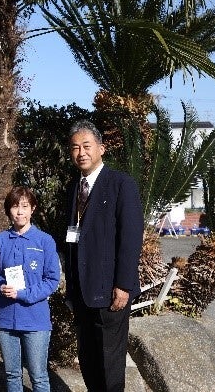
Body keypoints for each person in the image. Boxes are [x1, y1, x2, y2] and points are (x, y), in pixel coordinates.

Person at [64, 120, 143, 391]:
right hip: (81, 292)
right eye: (75, 147)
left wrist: (124, 285)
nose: (81, 153)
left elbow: (131, 238)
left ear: (101, 148)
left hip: (111, 291)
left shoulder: (121, 184)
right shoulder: (74, 187)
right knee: (89, 359)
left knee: (110, 363)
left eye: (86, 146)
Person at [0, 186, 60, 392]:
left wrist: (22, 294)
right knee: (12, 375)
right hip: (6, 319)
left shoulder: (44, 241)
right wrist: (0, 286)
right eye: (15, 206)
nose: (20, 212)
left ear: (32, 209)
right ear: (8, 210)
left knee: (39, 376)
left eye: (25, 206)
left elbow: (52, 280)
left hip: (36, 319)